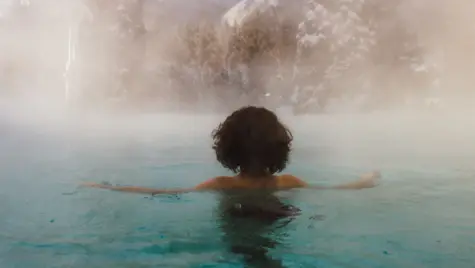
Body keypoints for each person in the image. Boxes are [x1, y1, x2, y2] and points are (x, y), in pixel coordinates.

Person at [82, 106, 380, 194]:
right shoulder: (290, 183)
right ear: (278, 147)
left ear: (228, 148)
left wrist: (109, 187)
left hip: (238, 232)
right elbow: (338, 188)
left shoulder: (220, 186)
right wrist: (366, 179)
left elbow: (162, 193)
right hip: (279, 222)